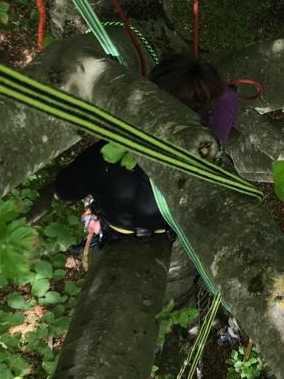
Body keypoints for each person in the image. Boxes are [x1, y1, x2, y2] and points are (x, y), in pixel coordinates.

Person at [54, 55, 239, 248]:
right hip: (169, 223)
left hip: (121, 222)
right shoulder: (209, 159)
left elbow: (63, 190)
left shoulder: (109, 152)